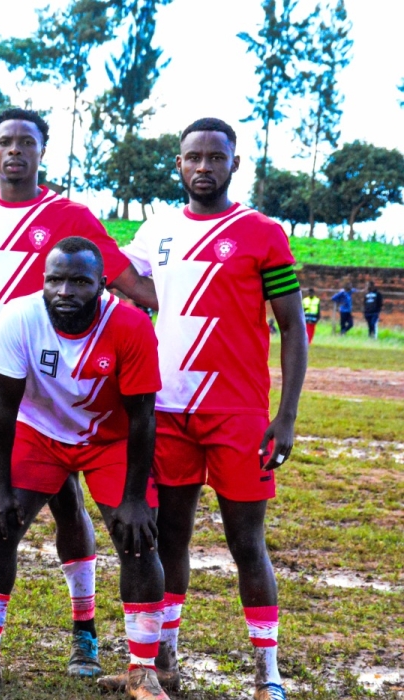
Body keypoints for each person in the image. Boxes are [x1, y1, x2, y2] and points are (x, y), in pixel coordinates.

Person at [0, 107, 159, 671]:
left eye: (27, 141)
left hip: (65, 389)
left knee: (68, 510)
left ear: (43, 151)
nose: (15, 150)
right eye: (5, 142)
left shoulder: (68, 214)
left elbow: (118, 280)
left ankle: (85, 631)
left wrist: (181, 308)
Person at [108, 117, 307, 700]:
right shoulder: (158, 227)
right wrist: (155, 299)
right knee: (171, 536)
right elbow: (120, 276)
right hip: (166, 409)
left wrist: (286, 415)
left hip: (238, 414)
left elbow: (292, 327)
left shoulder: (261, 231)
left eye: (214, 158)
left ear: (234, 164)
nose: (203, 167)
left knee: (247, 542)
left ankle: (267, 668)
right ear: (178, 164)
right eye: (192, 157)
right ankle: (165, 654)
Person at [0, 237, 166, 697]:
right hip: (40, 432)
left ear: (103, 285)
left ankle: (141, 669)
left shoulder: (130, 325)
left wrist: (133, 499)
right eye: (55, 280)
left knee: (139, 540)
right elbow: (4, 408)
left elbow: (144, 416)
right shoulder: (19, 317)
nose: (65, 291)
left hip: (110, 438)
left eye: (79, 281)